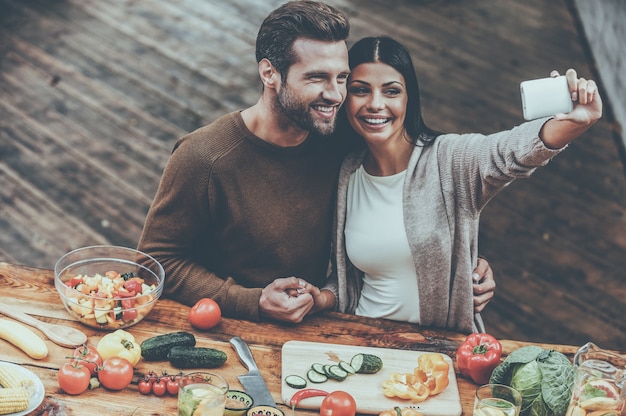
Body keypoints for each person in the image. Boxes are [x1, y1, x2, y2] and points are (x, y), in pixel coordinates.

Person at [137, 1, 494, 324]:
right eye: (316, 78)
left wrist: (464, 262)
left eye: (341, 77)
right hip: (220, 328)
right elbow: (154, 263)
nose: (336, 95)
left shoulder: (340, 139)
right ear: (269, 74)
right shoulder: (204, 158)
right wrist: (252, 301)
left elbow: (412, 187)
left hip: (314, 327)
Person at [324, 36, 602, 333]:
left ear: (409, 99)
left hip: (438, 355)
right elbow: (349, 280)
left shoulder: (449, 158)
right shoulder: (347, 171)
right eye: (360, 90)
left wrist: (574, 123)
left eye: (391, 91)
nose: (375, 104)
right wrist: (322, 297)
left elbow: (507, 152)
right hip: (362, 344)